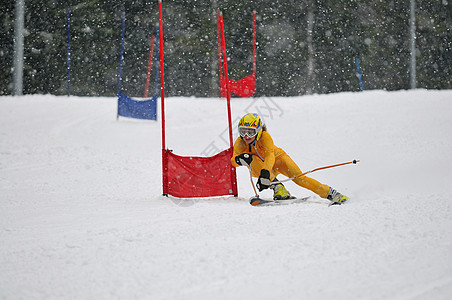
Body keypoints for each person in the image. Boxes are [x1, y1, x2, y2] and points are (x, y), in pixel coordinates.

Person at [230, 113, 348, 204]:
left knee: (300, 179)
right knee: (251, 159)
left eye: (250, 132)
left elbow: (270, 156)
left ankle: (332, 194)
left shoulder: (265, 137)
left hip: (279, 160)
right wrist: (239, 160)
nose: (246, 136)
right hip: (260, 166)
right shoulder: (240, 143)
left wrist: (265, 173)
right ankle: (278, 188)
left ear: (259, 131)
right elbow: (233, 161)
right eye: (243, 131)